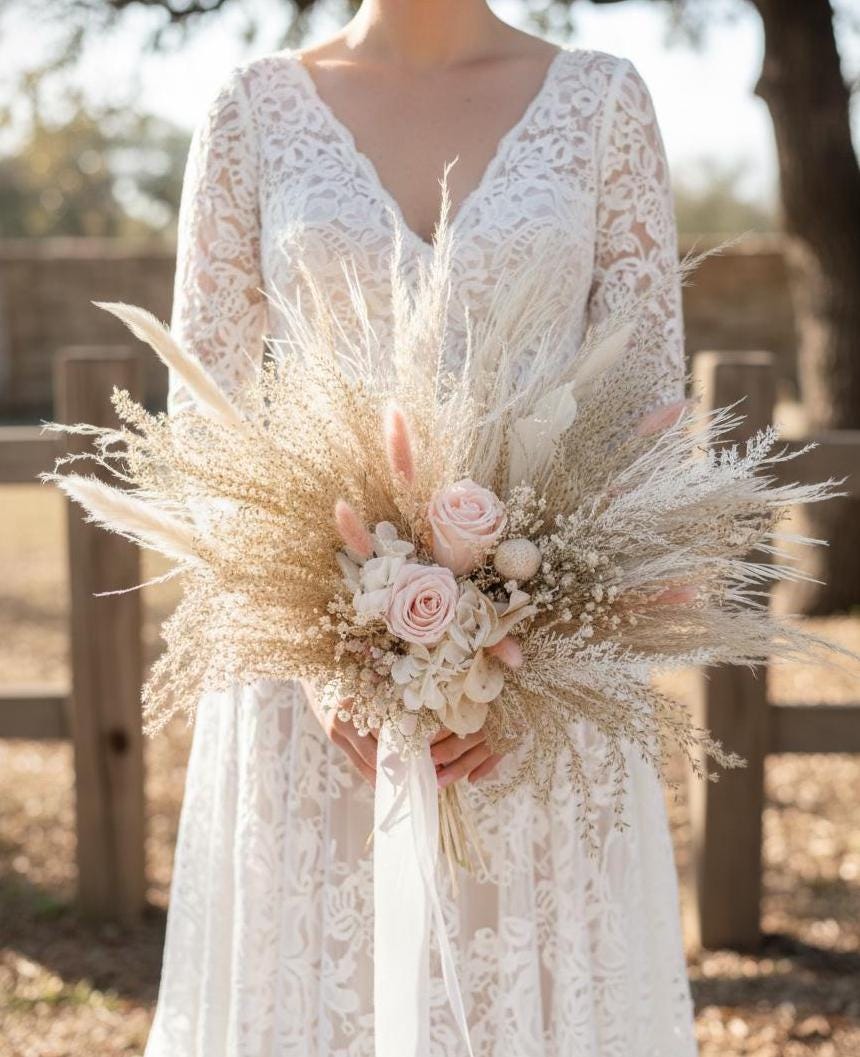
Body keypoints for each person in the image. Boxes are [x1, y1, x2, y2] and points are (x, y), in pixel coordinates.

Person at [145, 2, 698, 1054]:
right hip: (308, 706)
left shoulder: (603, 103)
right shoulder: (254, 110)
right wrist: (315, 657)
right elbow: (200, 425)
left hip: (547, 693)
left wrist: (524, 658)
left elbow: (642, 420)